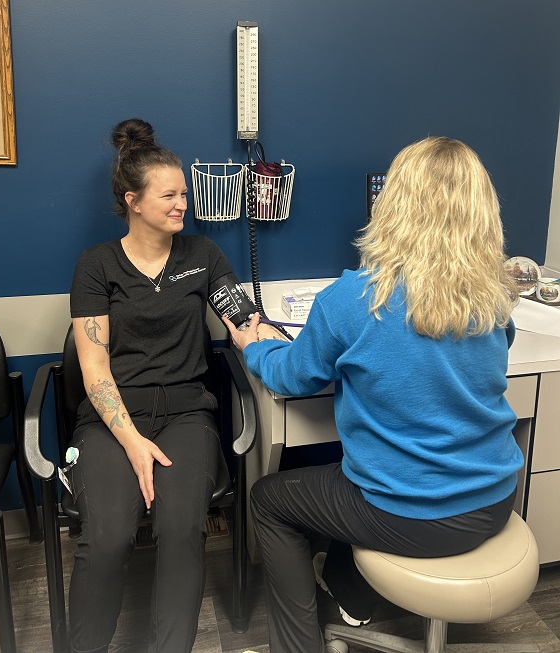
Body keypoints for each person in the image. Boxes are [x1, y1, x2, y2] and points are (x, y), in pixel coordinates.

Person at [224, 136, 522, 653]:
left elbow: (296, 377)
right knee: (352, 479)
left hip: (408, 515)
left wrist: (254, 348)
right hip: (493, 500)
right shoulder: (496, 299)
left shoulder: (354, 299)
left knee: (269, 500)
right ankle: (352, 600)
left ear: (395, 206)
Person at [68, 118, 283, 653]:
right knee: (108, 537)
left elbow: (241, 321)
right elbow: (95, 372)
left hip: (188, 414)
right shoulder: (97, 266)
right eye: (170, 195)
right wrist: (134, 442)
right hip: (115, 417)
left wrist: (271, 339)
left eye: (184, 193)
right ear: (133, 201)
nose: (183, 204)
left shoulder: (203, 256)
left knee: (183, 532)